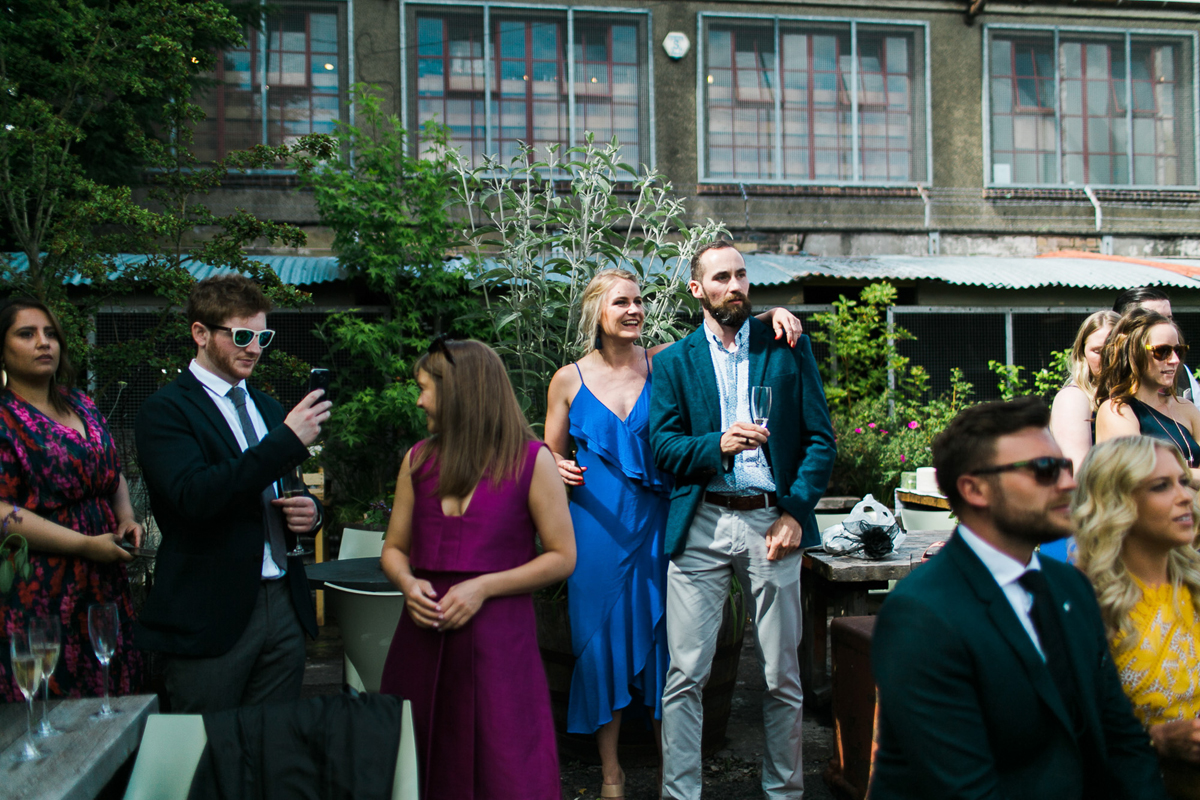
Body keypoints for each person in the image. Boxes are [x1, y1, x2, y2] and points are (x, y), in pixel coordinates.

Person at [543, 268, 802, 798]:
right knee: (600, 645)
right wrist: (553, 465)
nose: (635, 310)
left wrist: (773, 315)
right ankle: (611, 771)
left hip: (662, 522)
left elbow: (727, 336)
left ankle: (672, 774)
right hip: (594, 526)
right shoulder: (567, 379)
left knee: (670, 649)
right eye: (622, 303)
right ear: (598, 312)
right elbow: (549, 451)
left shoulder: (664, 360)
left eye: (639, 301)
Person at [869, 397, 1168, 800]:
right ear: (974, 489)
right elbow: (964, 789)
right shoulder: (922, 613)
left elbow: (1120, 740)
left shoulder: (1071, 587)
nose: (1069, 482)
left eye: (1064, 466)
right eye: (1045, 470)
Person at [649, 241, 836, 800]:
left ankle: (784, 791)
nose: (735, 285)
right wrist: (719, 444)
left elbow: (821, 442)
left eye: (741, 275)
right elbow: (663, 446)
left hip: (770, 523)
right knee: (685, 676)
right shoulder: (674, 361)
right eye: (722, 277)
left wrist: (796, 513)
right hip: (702, 522)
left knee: (782, 675)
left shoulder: (784, 345)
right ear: (697, 289)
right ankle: (680, 793)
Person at [379, 338, 575, 800]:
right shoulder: (418, 460)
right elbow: (393, 548)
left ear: (459, 391)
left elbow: (562, 557)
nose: (419, 399)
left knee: (505, 765)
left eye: (426, 388)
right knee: (421, 764)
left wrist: (483, 588)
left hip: (499, 645)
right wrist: (407, 583)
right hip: (421, 643)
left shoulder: (532, 461)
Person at [134, 275, 331, 712]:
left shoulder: (267, 408)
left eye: (263, 335)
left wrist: (310, 512)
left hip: (282, 601)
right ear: (201, 334)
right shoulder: (165, 410)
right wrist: (283, 441)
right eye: (242, 335)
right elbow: (194, 497)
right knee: (207, 751)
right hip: (211, 611)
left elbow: (284, 486)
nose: (255, 347)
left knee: (270, 748)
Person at [0, 297, 146, 701]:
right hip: (44, 584)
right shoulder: (5, 418)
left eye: (50, 334)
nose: (43, 343)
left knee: (111, 687)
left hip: (105, 577)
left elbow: (110, 470)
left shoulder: (80, 402)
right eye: (26, 334)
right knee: (53, 693)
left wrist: (127, 517)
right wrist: (83, 545)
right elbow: (1, 512)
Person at [1073, 435, 1200, 799]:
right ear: (1115, 502)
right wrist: (1155, 740)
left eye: (1184, 482)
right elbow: (1062, 735)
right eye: (1161, 486)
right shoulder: (1086, 602)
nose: (1185, 496)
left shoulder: (1194, 584)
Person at [1044, 309, 1117, 561]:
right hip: (1081, 531)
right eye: (1098, 350)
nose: (1107, 357)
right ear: (1082, 354)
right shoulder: (1074, 398)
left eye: (1114, 347)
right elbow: (1078, 473)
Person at [1095, 309, 1200, 468]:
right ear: (1134, 354)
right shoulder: (1117, 410)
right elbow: (1140, 473)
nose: (1175, 360)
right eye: (1162, 351)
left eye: (1178, 350)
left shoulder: (1186, 407)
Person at [1115, 286, 1200, 401]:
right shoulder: (1104, 380)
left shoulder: (1182, 374)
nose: (1166, 325)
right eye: (1154, 319)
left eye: (1169, 318)